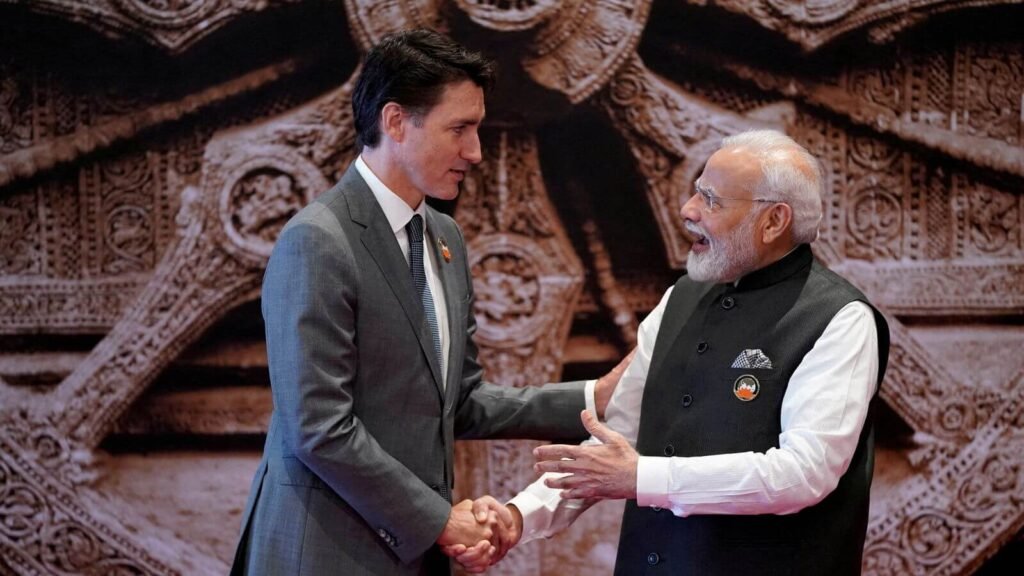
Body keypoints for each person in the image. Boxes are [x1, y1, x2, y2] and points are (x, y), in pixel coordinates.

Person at [230, 29, 619, 576]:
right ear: (395, 122)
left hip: (409, 556)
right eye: (459, 129)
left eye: (476, 129)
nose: (475, 152)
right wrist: (441, 521)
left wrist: (591, 397)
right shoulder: (317, 240)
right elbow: (317, 425)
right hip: (322, 554)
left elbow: (458, 399)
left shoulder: (443, 238)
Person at [452, 129, 891, 575]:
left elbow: (803, 474)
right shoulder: (678, 299)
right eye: (695, 192)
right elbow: (616, 440)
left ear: (774, 222)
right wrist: (517, 517)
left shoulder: (840, 319)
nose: (688, 211)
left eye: (712, 200)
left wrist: (643, 478)